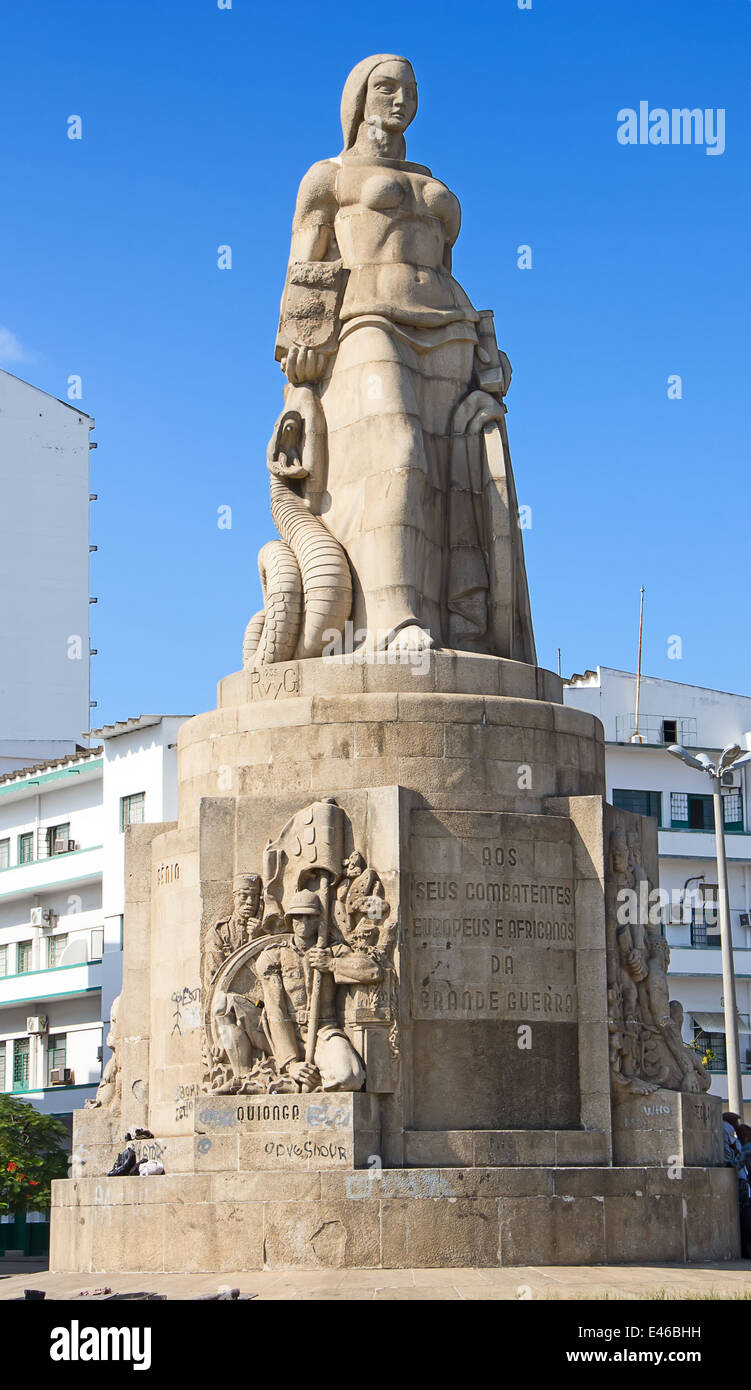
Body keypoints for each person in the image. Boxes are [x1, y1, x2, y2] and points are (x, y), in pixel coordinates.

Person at [274, 54, 534, 659]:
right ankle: (388, 621)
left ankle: (456, 627)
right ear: (358, 99)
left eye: (408, 90)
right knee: (399, 449)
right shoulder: (328, 178)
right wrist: (300, 367)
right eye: (385, 88)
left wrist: (485, 350)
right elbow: (304, 272)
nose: (399, 99)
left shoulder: (428, 179)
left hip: (449, 329)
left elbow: (445, 266)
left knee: (455, 481)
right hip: (366, 320)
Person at [255, 889, 382, 1090]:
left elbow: (373, 971)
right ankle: (295, 1080)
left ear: (318, 921)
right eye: (297, 917)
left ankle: (319, 1083)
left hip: (324, 1029)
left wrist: (331, 964)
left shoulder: (332, 950)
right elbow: (274, 1010)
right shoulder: (274, 956)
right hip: (290, 1033)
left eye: (309, 916)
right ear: (290, 921)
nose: (303, 921)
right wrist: (290, 1063)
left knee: (352, 1078)